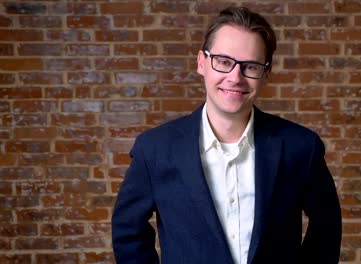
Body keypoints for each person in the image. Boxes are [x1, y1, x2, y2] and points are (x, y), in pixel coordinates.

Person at [112, 6, 342, 264]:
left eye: (251, 66)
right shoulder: (154, 149)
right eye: (223, 62)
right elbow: (127, 231)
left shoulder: (301, 147)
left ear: (266, 73)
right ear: (202, 63)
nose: (235, 77)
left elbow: (327, 227)